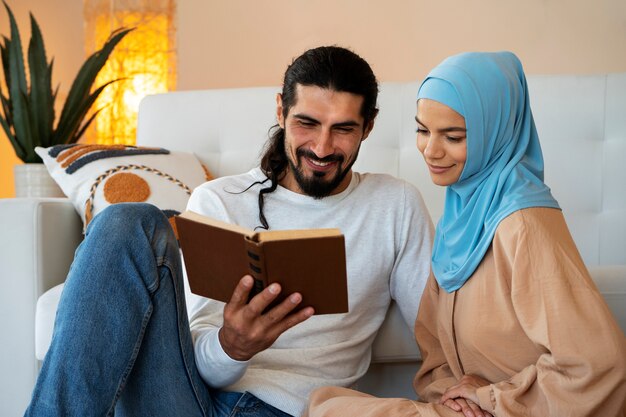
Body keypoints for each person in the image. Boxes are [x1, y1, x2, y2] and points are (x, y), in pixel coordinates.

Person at [25, 46, 434, 417]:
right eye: (306, 124)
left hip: (289, 410)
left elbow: (436, 330)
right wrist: (232, 345)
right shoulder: (219, 200)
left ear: (368, 126)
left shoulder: (394, 204)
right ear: (280, 111)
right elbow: (200, 356)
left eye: (343, 129)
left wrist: (463, 384)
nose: (322, 148)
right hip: (188, 400)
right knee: (126, 222)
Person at [305, 51, 626, 417]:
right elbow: (436, 352)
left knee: (328, 410)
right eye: (423, 130)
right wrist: (454, 396)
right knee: (324, 403)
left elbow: (599, 366)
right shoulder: (459, 219)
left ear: (495, 132)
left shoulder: (522, 222)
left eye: (453, 136)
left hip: (519, 410)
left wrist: (493, 398)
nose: (431, 150)